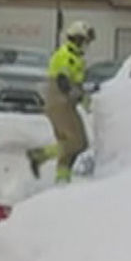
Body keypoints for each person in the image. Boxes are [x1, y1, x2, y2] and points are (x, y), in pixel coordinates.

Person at [26, 20, 94, 183]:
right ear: (78, 39)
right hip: (61, 104)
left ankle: (62, 180)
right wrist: (80, 96)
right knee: (79, 143)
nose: (87, 45)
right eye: (85, 41)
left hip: (59, 104)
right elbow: (63, 82)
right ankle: (40, 155)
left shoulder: (75, 57)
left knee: (67, 145)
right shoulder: (66, 55)